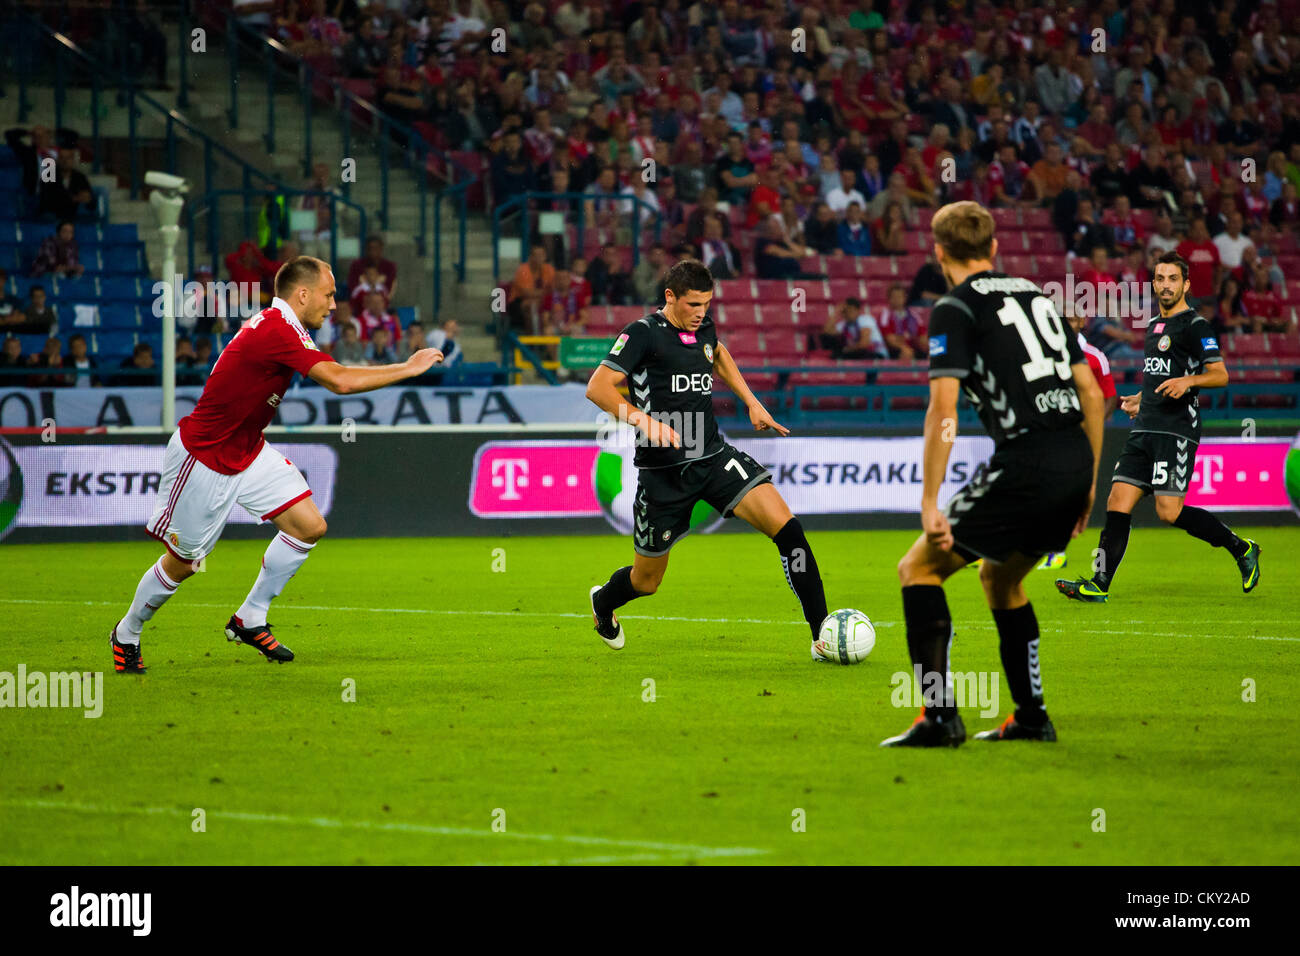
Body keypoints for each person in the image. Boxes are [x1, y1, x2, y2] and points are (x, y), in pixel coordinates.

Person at [107, 257, 444, 673]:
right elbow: (340, 381)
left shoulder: (283, 325)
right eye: (329, 293)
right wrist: (409, 368)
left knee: (309, 527)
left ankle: (250, 617)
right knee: (184, 562)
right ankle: (127, 632)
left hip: (248, 450)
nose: (334, 304)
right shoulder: (277, 329)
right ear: (302, 294)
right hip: (205, 456)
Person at [883, 201, 1105, 748]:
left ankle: (939, 719)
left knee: (918, 569)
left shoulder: (953, 309)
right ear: (995, 249)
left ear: (938, 254)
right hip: (1074, 458)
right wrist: (1090, 485)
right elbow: (1092, 396)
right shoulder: (1039, 296)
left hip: (1026, 462)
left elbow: (944, 411)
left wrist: (930, 501)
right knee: (1000, 579)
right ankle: (1031, 718)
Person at [585, 258, 831, 655]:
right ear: (670, 297)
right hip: (662, 473)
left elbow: (717, 355)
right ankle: (604, 603)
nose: (701, 314)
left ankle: (822, 634)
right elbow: (598, 388)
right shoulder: (643, 334)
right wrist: (645, 422)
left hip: (714, 457)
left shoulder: (704, 329)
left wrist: (751, 401)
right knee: (646, 581)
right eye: (692, 305)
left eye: (706, 305)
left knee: (789, 531)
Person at [1057, 252, 1260, 606]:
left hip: (1176, 430)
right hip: (1145, 427)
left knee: (1168, 512)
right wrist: (1141, 398)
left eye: (1172, 279)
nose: (1166, 285)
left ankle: (1241, 547)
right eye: (1160, 278)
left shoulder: (1195, 326)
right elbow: (1159, 379)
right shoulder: (1153, 325)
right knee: (1117, 501)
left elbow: (1220, 374)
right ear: (1154, 283)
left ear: (1185, 284)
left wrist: (1188, 382)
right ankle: (1099, 582)